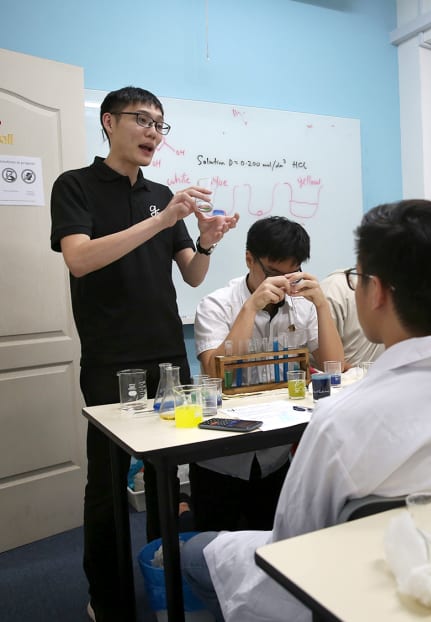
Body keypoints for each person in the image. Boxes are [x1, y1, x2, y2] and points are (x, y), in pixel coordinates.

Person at [182, 199, 431, 622]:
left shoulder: (338, 421)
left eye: (356, 278)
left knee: (191, 554)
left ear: (374, 291)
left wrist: (322, 305)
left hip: (344, 585)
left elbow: (290, 546)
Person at [49, 85, 239, 622]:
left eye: (160, 124)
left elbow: (192, 274)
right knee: (108, 485)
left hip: (167, 353)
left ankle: (168, 582)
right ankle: (107, 597)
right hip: (111, 356)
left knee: (166, 478)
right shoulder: (76, 186)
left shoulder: (161, 193)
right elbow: (80, 259)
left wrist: (206, 239)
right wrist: (161, 219)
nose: (153, 132)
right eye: (142, 120)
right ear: (109, 122)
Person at [191, 215, 344, 531]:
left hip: (275, 455)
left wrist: (321, 306)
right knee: (215, 546)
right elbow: (216, 374)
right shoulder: (216, 305)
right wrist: (251, 307)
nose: (283, 284)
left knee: (275, 543)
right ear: (249, 259)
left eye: (292, 273)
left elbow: (335, 367)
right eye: (274, 273)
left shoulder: (302, 305)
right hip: (221, 458)